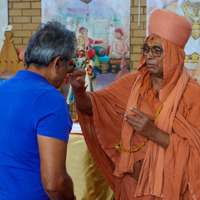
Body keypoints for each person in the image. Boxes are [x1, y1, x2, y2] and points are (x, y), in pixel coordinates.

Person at [69, 9, 200, 199]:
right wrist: (79, 90)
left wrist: (154, 133)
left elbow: (196, 151)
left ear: (173, 55)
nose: (149, 56)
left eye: (157, 51)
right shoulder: (132, 83)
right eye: (146, 49)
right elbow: (93, 106)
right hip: (132, 189)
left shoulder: (193, 94)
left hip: (173, 192)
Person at [0, 21, 76, 200]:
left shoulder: (2, 89)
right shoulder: (50, 99)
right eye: (68, 66)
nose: (68, 73)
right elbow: (54, 184)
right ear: (57, 63)